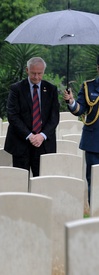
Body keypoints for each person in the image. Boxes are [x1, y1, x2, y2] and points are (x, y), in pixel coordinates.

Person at [4, 57, 60, 177]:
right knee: (20, 181)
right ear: (27, 70)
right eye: (33, 73)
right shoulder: (16, 89)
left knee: (41, 183)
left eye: (39, 73)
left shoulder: (51, 90)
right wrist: (30, 136)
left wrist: (42, 136)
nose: (36, 77)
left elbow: (54, 117)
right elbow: (12, 115)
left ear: (43, 72)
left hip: (43, 144)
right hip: (21, 142)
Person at [63, 55, 99, 204]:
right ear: (98, 67)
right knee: (93, 180)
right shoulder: (88, 86)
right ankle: (94, 213)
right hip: (93, 142)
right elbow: (79, 110)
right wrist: (71, 102)